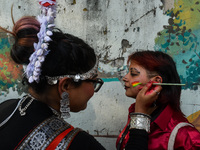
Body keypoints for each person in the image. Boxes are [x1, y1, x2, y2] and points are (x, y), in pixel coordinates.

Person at [0, 1, 162, 150]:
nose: (94, 89)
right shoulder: (77, 144)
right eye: (94, 81)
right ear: (66, 85)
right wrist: (141, 115)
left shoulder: (7, 108)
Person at [116, 50, 200, 150]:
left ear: (156, 82)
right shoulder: (135, 111)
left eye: (133, 73)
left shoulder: (185, 136)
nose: (125, 78)